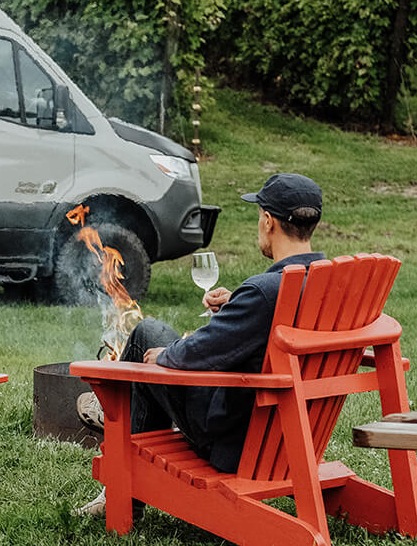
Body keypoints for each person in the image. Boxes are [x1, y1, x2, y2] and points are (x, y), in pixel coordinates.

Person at [75, 172, 326, 517]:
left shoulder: (265, 292)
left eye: (259, 217)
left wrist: (168, 355)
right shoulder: (329, 283)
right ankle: (120, 419)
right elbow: (273, 325)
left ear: (268, 222)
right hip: (291, 435)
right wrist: (238, 303)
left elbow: (199, 353)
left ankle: (117, 437)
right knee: (156, 338)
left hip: (233, 439)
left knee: (148, 334)